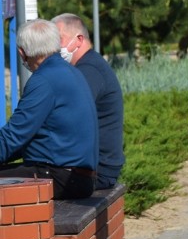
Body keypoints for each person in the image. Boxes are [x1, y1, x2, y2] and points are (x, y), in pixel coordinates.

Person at [0, 18, 98, 199]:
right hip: (78, 176)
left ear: (22, 53)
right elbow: (23, 139)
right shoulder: (71, 71)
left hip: (61, 176)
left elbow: (14, 135)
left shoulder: (44, 80)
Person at [52, 13, 125, 190]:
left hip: (95, 171)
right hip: (91, 167)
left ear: (79, 39)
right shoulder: (87, 66)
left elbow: (67, 118)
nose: (53, 46)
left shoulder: (89, 70)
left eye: (58, 39)